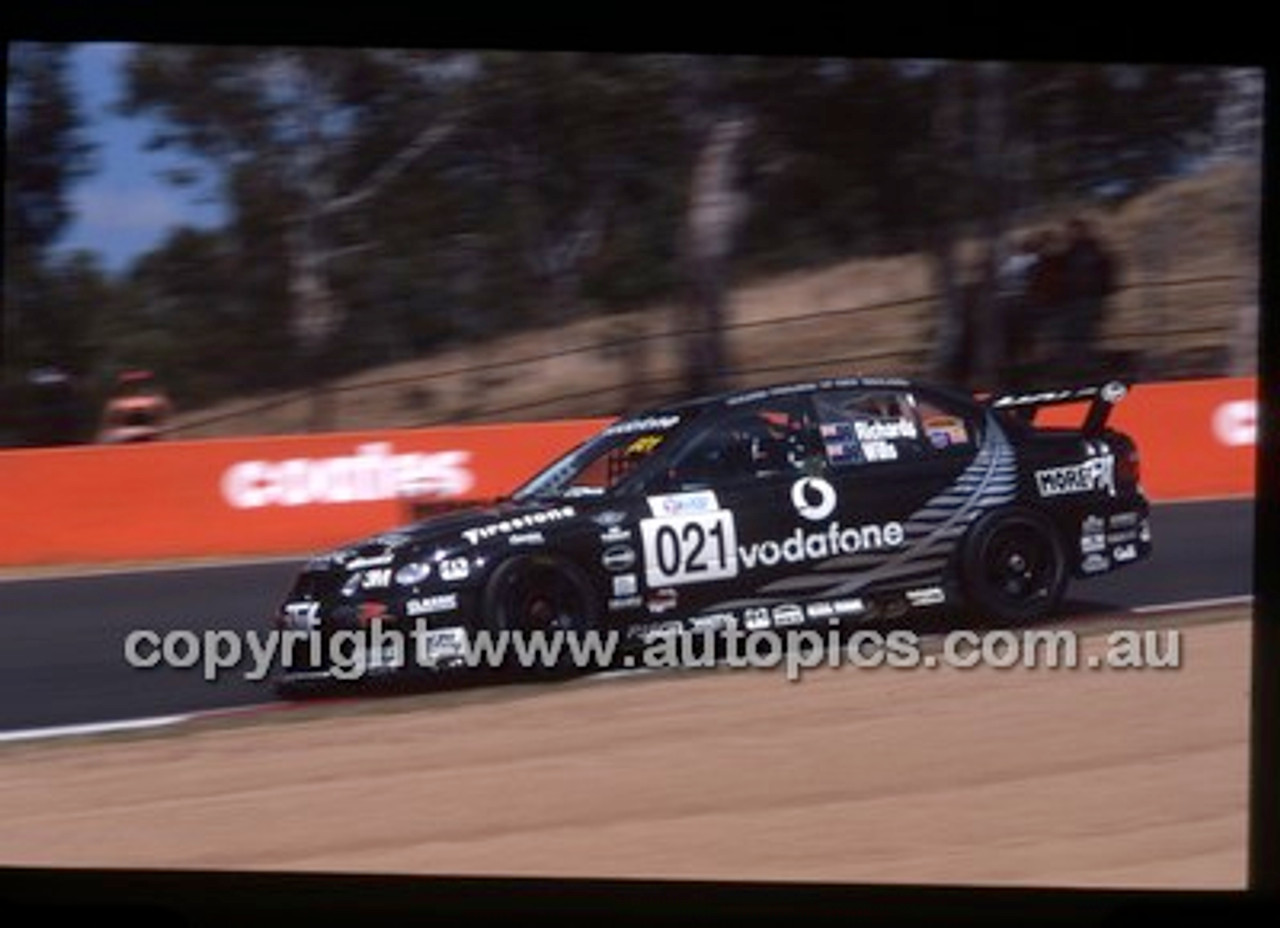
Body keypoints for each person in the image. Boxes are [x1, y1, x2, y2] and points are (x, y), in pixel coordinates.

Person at [1059, 217, 1118, 378]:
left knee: (1087, 334)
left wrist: (1103, 294)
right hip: (1073, 300)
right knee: (1075, 335)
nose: (1069, 234)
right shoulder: (1070, 252)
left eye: (1074, 230)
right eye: (1069, 231)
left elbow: (1107, 271)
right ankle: (1078, 367)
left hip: (1090, 299)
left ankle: (1088, 368)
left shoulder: (1094, 251)